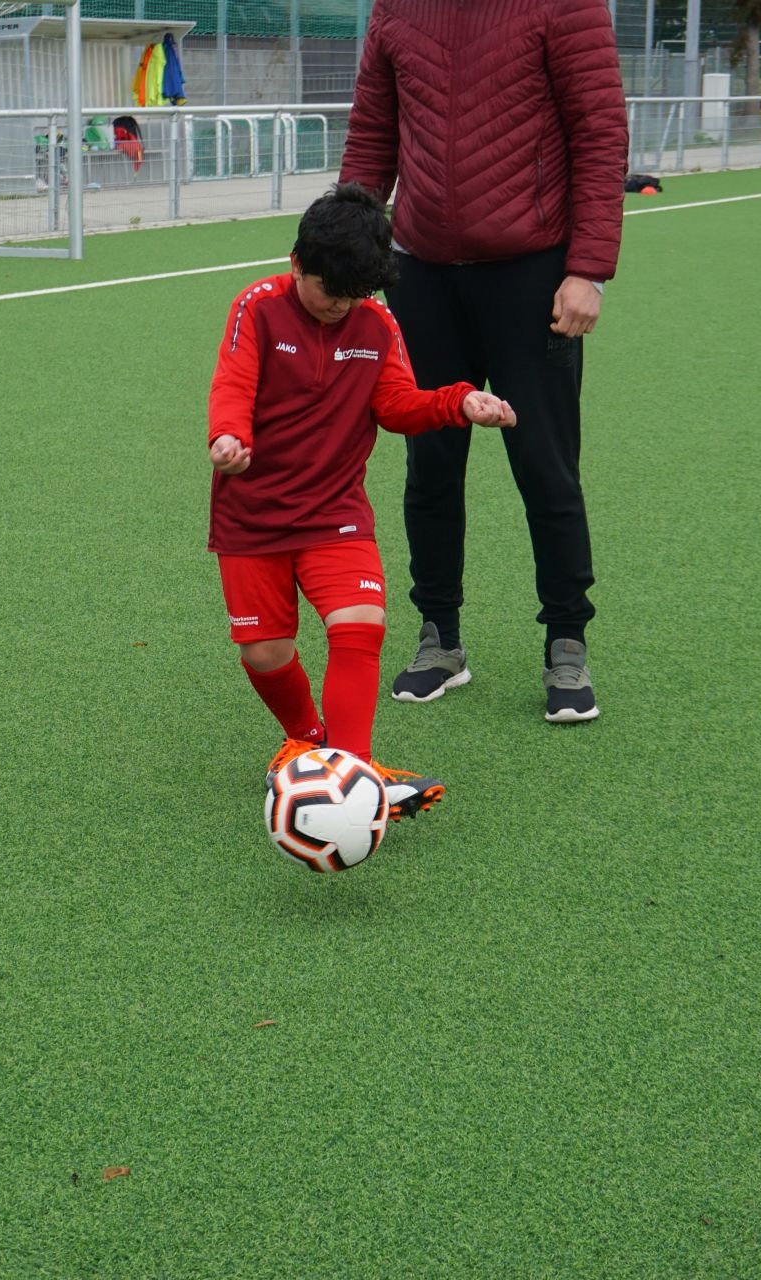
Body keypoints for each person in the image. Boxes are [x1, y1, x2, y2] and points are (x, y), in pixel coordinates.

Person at [338, 0, 629, 722]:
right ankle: (439, 637)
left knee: (545, 466)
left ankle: (566, 641)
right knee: (430, 465)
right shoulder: (395, 8)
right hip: (422, 275)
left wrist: (588, 270)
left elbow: (599, 132)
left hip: (533, 273)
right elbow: (373, 132)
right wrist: (343, 251)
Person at [208, 183, 516, 821]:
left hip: (334, 512)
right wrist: (229, 435)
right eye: (330, 292)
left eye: (356, 295)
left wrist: (458, 401)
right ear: (297, 263)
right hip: (253, 516)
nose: (340, 306)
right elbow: (233, 381)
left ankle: (353, 771)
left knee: (362, 624)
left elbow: (396, 404)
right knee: (264, 653)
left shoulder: (376, 323)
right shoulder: (257, 308)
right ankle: (307, 740)